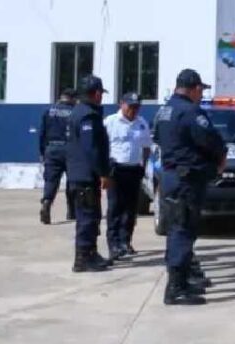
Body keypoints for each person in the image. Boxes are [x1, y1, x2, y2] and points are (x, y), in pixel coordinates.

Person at [154, 69, 227, 306]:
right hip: (186, 180)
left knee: (177, 228)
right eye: (200, 90)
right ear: (194, 88)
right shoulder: (190, 111)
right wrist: (219, 159)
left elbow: (159, 138)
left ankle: (182, 280)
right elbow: (212, 140)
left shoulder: (164, 110)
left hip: (171, 177)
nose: (200, 95)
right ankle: (175, 288)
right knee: (183, 230)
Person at [65, 76, 112, 273]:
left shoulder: (78, 111)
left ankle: (90, 253)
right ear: (96, 93)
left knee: (91, 215)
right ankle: (83, 258)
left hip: (79, 174)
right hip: (85, 175)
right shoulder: (88, 116)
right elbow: (92, 148)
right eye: (100, 93)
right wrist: (102, 172)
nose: (101, 97)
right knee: (87, 217)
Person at [104, 93, 152, 260]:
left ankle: (126, 241)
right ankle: (113, 244)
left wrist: (143, 166)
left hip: (134, 170)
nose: (133, 110)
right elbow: (102, 147)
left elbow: (146, 147)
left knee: (131, 209)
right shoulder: (110, 122)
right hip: (115, 171)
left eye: (136, 107)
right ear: (121, 104)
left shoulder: (141, 123)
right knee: (115, 207)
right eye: (130, 106)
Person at [39, 88, 77, 224]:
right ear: (72, 99)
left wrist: (42, 152)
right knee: (72, 181)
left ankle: (47, 202)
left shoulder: (48, 111)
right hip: (70, 149)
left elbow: (42, 134)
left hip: (51, 149)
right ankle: (72, 211)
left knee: (51, 180)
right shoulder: (75, 112)